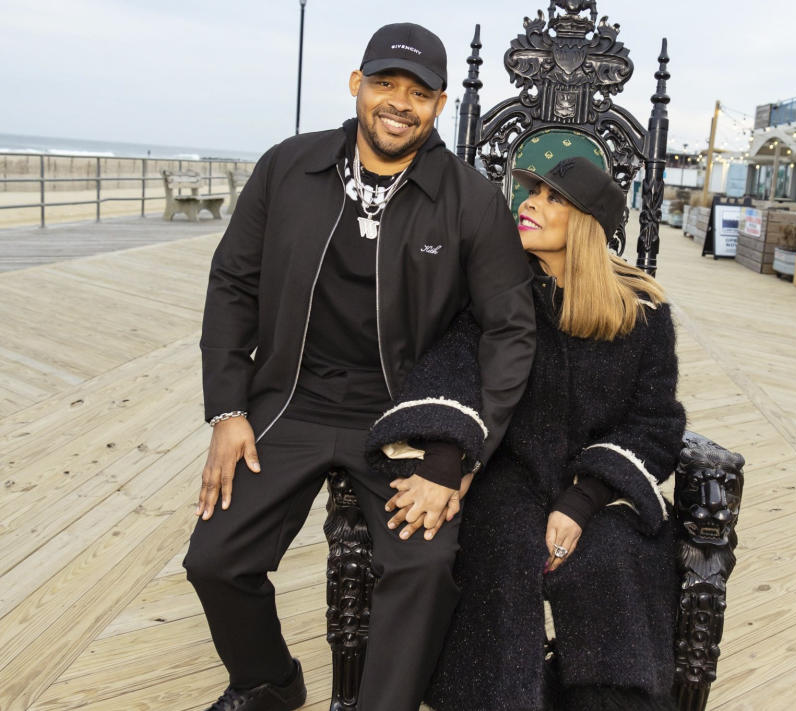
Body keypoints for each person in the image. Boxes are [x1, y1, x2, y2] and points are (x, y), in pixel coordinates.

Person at [182, 22, 536, 711]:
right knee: (215, 557)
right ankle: (268, 681)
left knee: (426, 561)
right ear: (357, 86)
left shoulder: (470, 200)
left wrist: (462, 453)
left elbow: (509, 330)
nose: (398, 103)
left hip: (404, 414)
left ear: (438, 107)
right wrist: (228, 409)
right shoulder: (289, 168)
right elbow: (232, 282)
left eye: (418, 92)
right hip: (291, 401)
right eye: (384, 84)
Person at [367, 157, 686, 711]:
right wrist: (447, 456)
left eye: (551, 197)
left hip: (600, 485)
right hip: (508, 473)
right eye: (531, 192)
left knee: (614, 559)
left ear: (587, 224)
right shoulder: (497, 291)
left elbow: (655, 422)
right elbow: (454, 367)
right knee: (503, 549)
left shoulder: (644, 314)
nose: (530, 203)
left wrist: (583, 499)